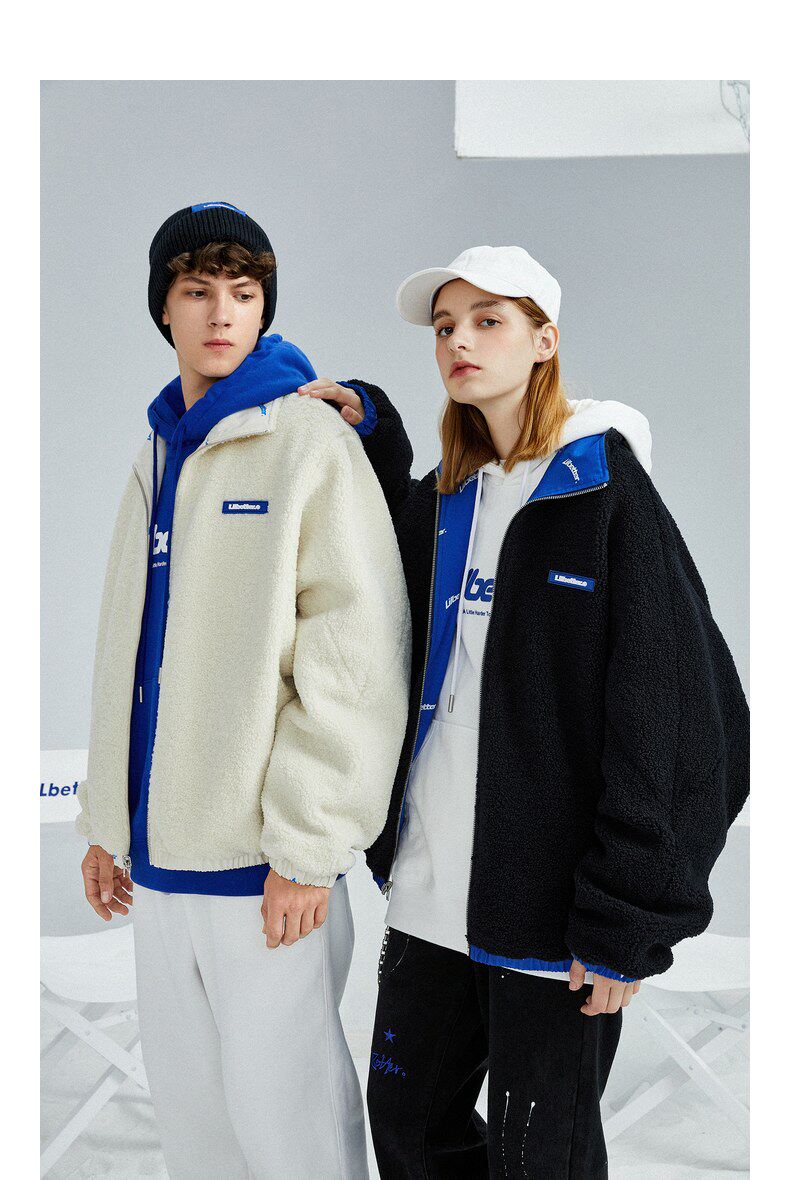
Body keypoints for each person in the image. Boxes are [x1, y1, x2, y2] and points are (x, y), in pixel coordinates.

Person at [299, 245, 750, 1178]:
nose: (459, 341)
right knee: (409, 1129)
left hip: (554, 912)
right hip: (430, 888)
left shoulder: (601, 491)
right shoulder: (453, 497)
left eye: (488, 321)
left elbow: (682, 715)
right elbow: (382, 575)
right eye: (444, 327)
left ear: (545, 341)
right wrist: (375, 435)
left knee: (539, 1157)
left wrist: (627, 918)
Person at [75, 200, 411, 1179]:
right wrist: (108, 820)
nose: (222, 312)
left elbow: (354, 657)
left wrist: (310, 845)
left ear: (264, 307)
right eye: (197, 291)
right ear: (164, 308)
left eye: (244, 292)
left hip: (265, 867)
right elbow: (128, 648)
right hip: (160, 864)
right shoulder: (157, 450)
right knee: (196, 1127)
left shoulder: (308, 442)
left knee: (291, 1130)